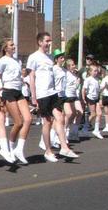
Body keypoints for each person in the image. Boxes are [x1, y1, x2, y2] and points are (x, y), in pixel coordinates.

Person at [26, 33, 79, 162]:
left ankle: (64, 147)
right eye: (47, 41)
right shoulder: (33, 57)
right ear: (40, 42)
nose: (49, 43)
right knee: (47, 122)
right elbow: (31, 77)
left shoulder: (50, 58)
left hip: (52, 93)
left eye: (50, 41)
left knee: (60, 118)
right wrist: (33, 97)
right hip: (42, 94)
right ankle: (48, 151)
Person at [0, 39, 30, 164]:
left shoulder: (18, 61)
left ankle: (19, 149)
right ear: (5, 48)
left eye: (14, 44)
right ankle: (10, 147)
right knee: (18, 122)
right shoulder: (2, 61)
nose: (14, 46)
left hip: (19, 92)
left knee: (28, 119)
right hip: (8, 92)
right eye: (11, 45)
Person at [82, 65, 103, 139]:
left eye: (96, 71)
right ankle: (85, 126)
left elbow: (98, 90)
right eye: (94, 71)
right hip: (90, 98)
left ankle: (96, 130)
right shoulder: (88, 79)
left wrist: (100, 99)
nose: (96, 72)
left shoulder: (97, 79)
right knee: (93, 114)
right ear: (90, 72)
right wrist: (83, 98)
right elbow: (84, 89)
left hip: (96, 98)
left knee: (99, 113)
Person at [63, 59, 81, 141]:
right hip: (67, 95)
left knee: (80, 111)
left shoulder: (75, 75)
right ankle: (64, 131)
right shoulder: (66, 74)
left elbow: (76, 86)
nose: (74, 66)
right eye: (72, 65)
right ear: (68, 66)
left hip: (74, 95)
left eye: (74, 64)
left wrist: (78, 80)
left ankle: (74, 132)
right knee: (69, 114)